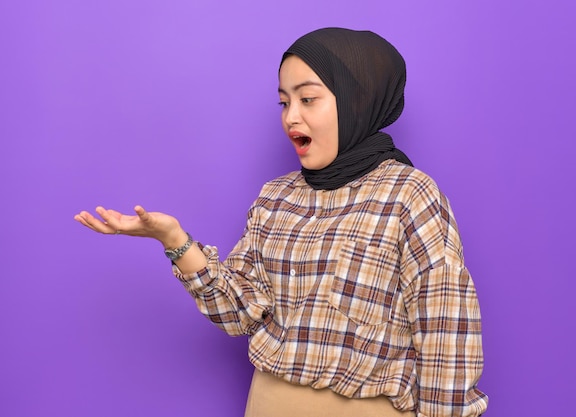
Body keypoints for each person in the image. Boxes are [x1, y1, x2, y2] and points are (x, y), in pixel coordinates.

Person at [74, 27, 488, 417]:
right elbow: (240, 313)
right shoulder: (276, 196)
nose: (291, 117)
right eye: (284, 101)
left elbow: (446, 334)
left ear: (356, 99)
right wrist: (175, 240)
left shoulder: (408, 194)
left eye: (308, 99)